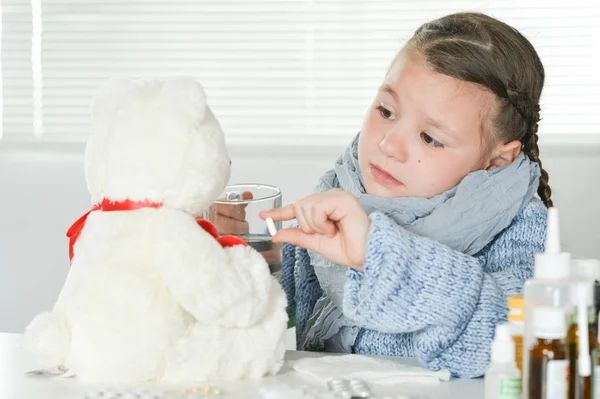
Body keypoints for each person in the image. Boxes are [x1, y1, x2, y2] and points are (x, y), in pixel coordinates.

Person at [232, 12, 550, 378]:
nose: (389, 143)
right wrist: (234, 252)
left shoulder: (519, 226)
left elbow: (518, 343)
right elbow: (266, 313)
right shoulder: (343, 187)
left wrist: (380, 255)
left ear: (496, 160)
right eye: (386, 111)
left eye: (430, 138)